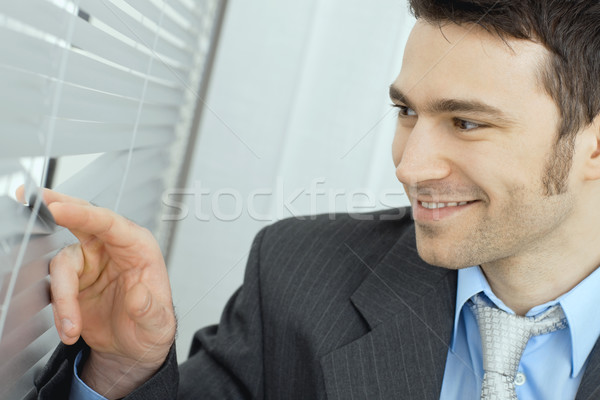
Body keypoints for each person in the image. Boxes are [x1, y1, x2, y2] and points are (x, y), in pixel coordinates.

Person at [30, 0, 600, 399]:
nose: (409, 165)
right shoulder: (298, 275)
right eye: (407, 112)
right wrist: (124, 369)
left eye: (467, 122)